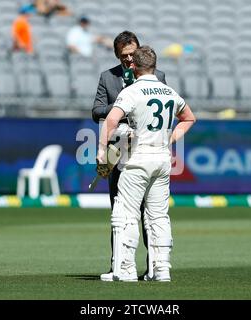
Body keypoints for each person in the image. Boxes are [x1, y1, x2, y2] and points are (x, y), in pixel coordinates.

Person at [96, 46, 196, 281]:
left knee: (126, 213)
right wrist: (169, 139)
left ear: (133, 66)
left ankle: (125, 269)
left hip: (137, 159)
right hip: (162, 160)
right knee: (158, 216)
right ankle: (161, 269)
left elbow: (110, 120)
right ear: (154, 65)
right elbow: (189, 118)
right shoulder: (169, 91)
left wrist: (102, 151)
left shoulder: (132, 91)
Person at [92, 31, 166, 282]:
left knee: (151, 211)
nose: (129, 60)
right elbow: (96, 111)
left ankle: (155, 267)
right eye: (124, 56)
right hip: (119, 151)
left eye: (133, 55)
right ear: (117, 55)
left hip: (147, 150)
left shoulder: (158, 77)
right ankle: (118, 266)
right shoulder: (108, 77)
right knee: (120, 212)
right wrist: (123, 107)